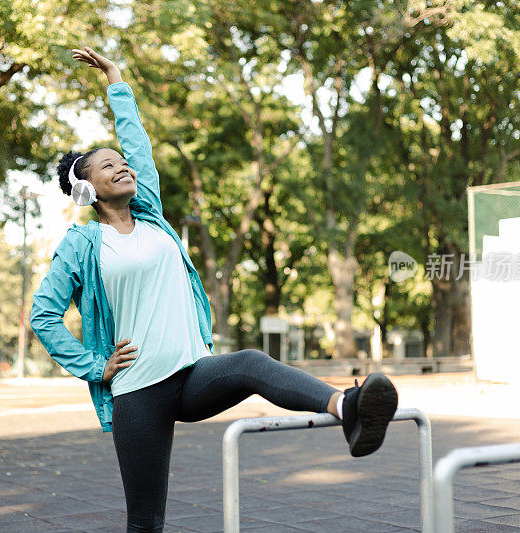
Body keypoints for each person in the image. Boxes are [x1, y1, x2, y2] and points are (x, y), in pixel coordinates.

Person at [30, 45, 399, 533]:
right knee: (145, 522)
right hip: (138, 391)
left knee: (249, 363)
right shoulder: (82, 244)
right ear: (87, 188)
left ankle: (347, 408)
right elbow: (44, 315)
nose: (122, 166)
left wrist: (116, 80)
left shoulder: (152, 217)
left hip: (190, 374)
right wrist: (95, 366)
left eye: (122, 162)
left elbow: (139, 145)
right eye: (106, 166)